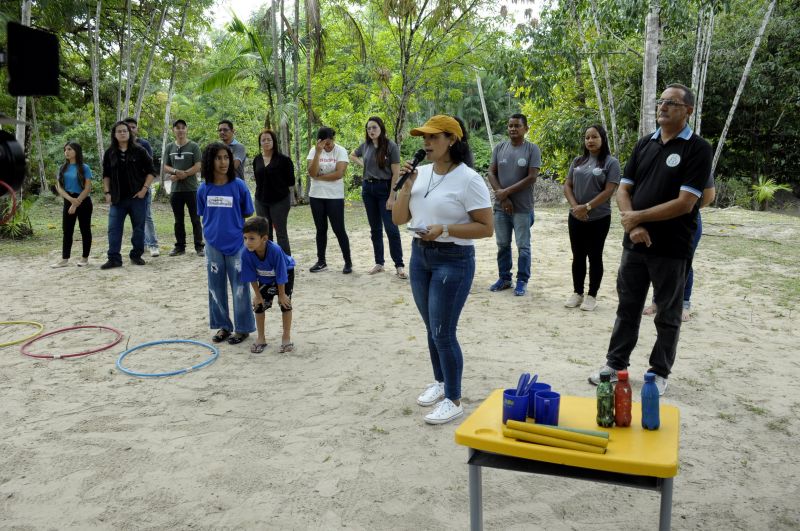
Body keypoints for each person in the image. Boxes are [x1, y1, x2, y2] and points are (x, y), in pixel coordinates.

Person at [588, 84, 713, 396]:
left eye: (671, 103)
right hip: (634, 244)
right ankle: (616, 366)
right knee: (627, 308)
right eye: (661, 101)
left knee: (668, 314)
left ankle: (659, 372)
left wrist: (639, 218)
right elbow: (623, 190)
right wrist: (632, 227)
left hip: (671, 247)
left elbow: (687, 202)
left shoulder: (698, 148)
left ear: (688, 111)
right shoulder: (645, 144)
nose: (663, 106)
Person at [392, 115, 493, 425]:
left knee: (443, 332)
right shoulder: (419, 173)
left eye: (433, 137)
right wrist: (407, 187)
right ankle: (440, 382)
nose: (426, 142)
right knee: (431, 328)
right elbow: (398, 218)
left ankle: (454, 398)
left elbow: (486, 228)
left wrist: (445, 229)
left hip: (453, 260)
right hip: (420, 257)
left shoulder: (468, 179)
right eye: (424, 137)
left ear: (452, 140)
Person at [197, 142, 256, 345]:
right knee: (215, 287)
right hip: (212, 245)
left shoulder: (238, 185)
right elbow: (203, 213)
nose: (223, 162)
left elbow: (248, 211)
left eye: (226, 158)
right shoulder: (203, 188)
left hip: (237, 244)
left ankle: (243, 328)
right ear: (209, 161)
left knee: (240, 286)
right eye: (218, 158)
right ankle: (223, 326)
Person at [563, 124, 621, 311]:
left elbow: (610, 190)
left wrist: (587, 207)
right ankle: (577, 293)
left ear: (602, 139)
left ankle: (592, 295)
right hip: (576, 217)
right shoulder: (577, 161)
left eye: (594, 137)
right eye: (587, 137)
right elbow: (567, 186)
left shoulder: (611, 163)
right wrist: (576, 208)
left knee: (595, 256)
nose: (590, 141)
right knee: (577, 256)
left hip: (599, 218)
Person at [642, 180, 715, 320]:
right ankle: (657, 301)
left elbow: (709, 196)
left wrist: (688, 208)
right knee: (660, 261)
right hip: (660, 218)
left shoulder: (698, 159)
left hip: (688, 221)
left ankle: (683, 304)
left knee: (685, 262)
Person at [486, 113, 541, 296]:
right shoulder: (499, 148)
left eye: (517, 126)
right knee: (502, 244)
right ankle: (504, 278)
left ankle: (522, 281)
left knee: (523, 246)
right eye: (510, 126)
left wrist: (506, 192)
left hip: (522, 208)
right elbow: (491, 173)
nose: (512, 129)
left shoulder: (532, 149)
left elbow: (532, 177)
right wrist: (503, 198)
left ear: (526, 128)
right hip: (501, 207)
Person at [349, 116, 406, 278]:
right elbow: (352, 155)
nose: (371, 131)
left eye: (374, 127)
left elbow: (396, 174)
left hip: (385, 189)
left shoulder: (391, 146)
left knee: (391, 228)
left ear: (381, 128)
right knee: (375, 229)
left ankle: (399, 265)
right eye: (368, 128)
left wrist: (392, 197)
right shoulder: (365, 145)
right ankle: (379, 263)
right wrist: (364, 166)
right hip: (368, 189)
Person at [100, 121, 156, 269]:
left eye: (125, 130)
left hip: (137, 198)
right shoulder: (110, 153)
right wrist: (107, 192)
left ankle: (136, 255)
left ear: (129, 133)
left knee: (138, 228)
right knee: (113, 228)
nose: (123, 133)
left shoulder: (140, 150)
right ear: (114, 134)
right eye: (119, 131)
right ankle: (114, 259)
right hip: (117, 198)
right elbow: (106, 175)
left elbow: (151, 171)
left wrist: (144, 189)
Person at [240, 216, 295, 354]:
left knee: (285, 304)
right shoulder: (246, 253)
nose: (248, 242)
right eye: (245, 238)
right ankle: (261, 338)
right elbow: (251, 276)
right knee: (259, 305)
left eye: (252, 238)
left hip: (284, 274)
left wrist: (281, 294)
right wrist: (257, 296)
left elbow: (281, 274)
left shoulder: (275, 250)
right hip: (265, 277)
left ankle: (286, 337)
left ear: (264, 238)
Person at [306, 126, 352, 274]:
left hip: (335, 196)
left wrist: (319, 177)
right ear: (319, 142)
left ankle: (348, 262)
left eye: (330, 142)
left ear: (333, 139)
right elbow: (311, 172)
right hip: (316, 195)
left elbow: (339, 174)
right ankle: (321, 261)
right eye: (324, 143)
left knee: (339, 229)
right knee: (321, 229)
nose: (328, 146)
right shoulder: (314, 151)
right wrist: (318, 153)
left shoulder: (340, 150)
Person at [163, 119, 204, 257]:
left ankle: (199, 246)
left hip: (192, 189)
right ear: (173, 130)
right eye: (177, 128)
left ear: (186, 130)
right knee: (178, 220)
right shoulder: (169, 147)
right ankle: (180, 247)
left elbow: (198, 166)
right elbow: (165, 166)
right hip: (175, 190)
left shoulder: (194, 146)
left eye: (183, 128)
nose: (180, 130)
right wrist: (175, 172)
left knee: (195, 219)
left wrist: (184, 174)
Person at [252, 129, 295, 255]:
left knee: (281, 233)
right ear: (260, 143)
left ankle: (286, 265)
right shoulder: (257, 160)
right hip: (261, 200)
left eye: (269, 139)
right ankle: (268, 262)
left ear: (274, 141)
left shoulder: (283, 160)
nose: (266, 142)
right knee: (265, 233)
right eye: (263, 140)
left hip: (280, 200)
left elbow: (290, 181)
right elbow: (257, 179)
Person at [51, 142, 93, 268]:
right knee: (67, 230)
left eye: (69, 149)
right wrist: (71, 200)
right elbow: (59, 187)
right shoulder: (62, 168)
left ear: (76, 151)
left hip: (83, 201)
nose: (66, 152)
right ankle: (64, 259)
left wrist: (76, 203)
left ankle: (84, 258)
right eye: (65, 149)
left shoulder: (84, 167)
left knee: (85, 229)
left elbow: (87, 188)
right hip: (68, 200)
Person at [124, 117, 159, 257]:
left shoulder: (144, 144)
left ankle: (153, 245)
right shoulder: (120, 145)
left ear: (136, 129)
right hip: (127, 190)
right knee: (135, 217)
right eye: (128, 127)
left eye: (133, 127)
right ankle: (141, 244)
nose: (131, 129)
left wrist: (144, 186)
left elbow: (149, 167)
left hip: (143, 186)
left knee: (146, 216)